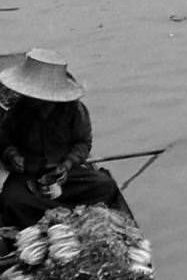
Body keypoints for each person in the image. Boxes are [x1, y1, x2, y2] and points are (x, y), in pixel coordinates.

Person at [0, 49, 126, 229]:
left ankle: (53, 214)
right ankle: (61, 215)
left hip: (64, 174)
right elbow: (4, 142)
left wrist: (66, 165)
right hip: (28, 174)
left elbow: (83, 143)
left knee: (105, 186)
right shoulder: (18, 112)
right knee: (11, 200)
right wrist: (12, 156)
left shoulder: (74, 111)